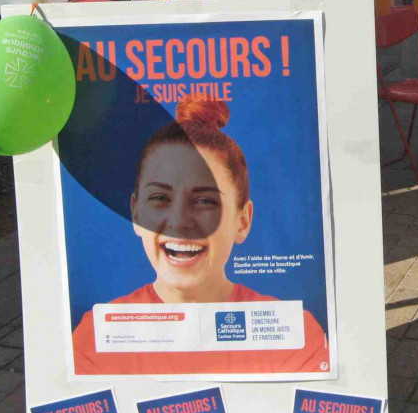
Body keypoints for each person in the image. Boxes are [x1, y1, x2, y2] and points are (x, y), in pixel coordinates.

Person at [71, 95, 329, 375]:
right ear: (135, 213)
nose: (180, 222)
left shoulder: (295, 337)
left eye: (205, 201)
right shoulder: (95, 339)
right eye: (159, 197)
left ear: (242, 221)